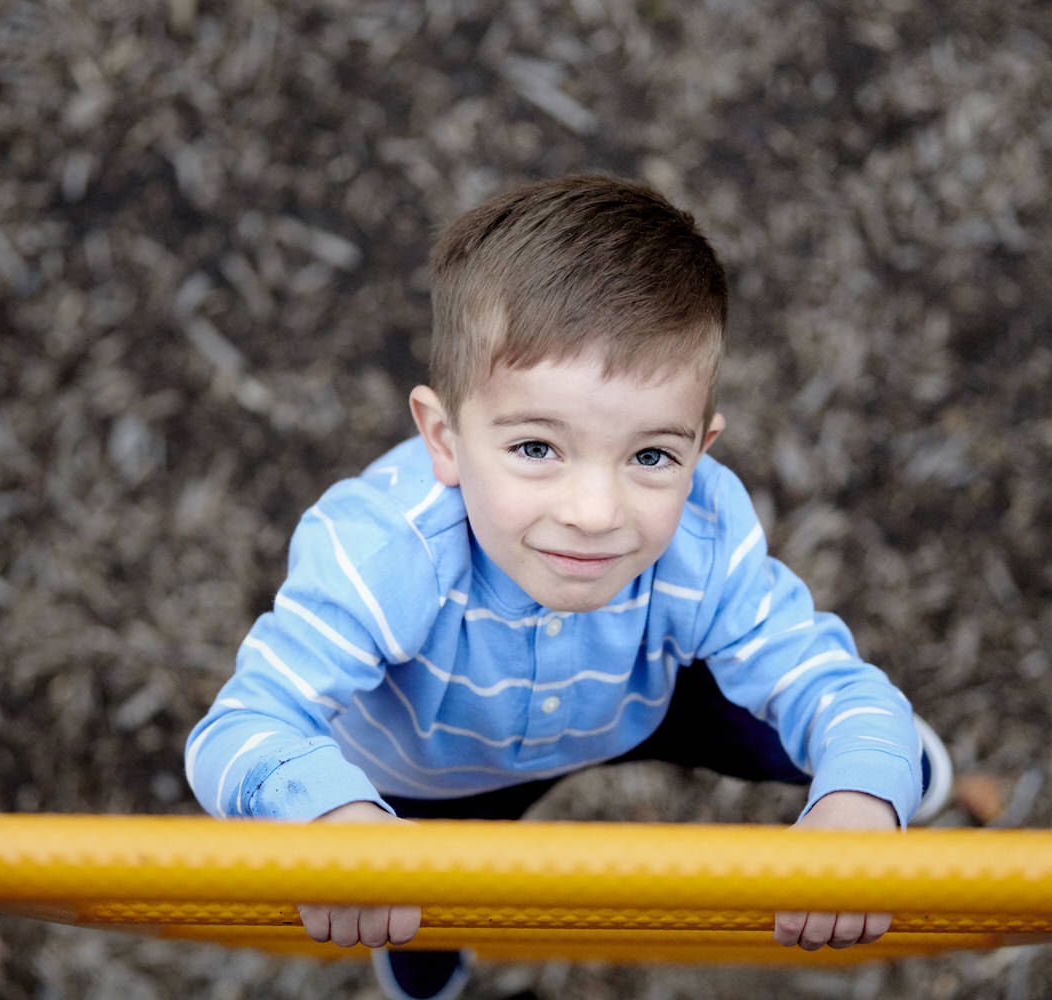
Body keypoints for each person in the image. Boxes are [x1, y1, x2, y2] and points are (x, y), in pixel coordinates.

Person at [185, 175, 951, 1000]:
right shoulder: (385, 552)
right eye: (538, 448)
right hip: (434, 775)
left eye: (651, 456)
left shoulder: (700, 534)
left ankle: (898, 775)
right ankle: (428, 970)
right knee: (411, 901)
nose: (595, 513)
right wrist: (337, 822)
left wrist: (861, 794)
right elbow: (239, 728)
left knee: (860, 746)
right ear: (443, 438)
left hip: (637, 699)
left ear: (702, 447)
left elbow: (828, 679)